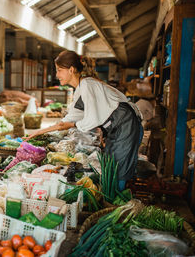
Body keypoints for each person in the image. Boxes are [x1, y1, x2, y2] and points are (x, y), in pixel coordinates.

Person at [26, 51, 143, 190]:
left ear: (71, 70)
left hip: (125, 124)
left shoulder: (87, 84)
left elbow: (91, 120)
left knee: (118, 167)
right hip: (116, 127)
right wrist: (39, 132)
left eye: (59, 70)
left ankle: (118, 201)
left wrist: (73, 124)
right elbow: (67, 121)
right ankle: (113, 196)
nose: (57, 75)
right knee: (110, 163)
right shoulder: (80, 89)